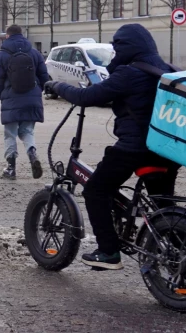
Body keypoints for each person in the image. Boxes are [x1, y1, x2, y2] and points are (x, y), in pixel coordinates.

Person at [44, 24, 179, 270]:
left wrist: (57, 86)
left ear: (128, 48)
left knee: (96, 191)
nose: (116, 54)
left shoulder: (129, 73)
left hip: (135, 149)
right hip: (167, 150)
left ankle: (108, 252)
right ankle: (180, 252)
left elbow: (87, 97)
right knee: (162, 205)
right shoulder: (166, 70)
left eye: (118, 47)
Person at [0, 25, 50, 180]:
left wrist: (3, 95)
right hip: (32, 99)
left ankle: (11, 169)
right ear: (22, 35)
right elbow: (45, 77)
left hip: (11, 98)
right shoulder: (35, 53)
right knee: (27, 131)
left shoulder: (2, 55)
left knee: (10, 133)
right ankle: (32, 153)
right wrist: (37, 93)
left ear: (7, 36)